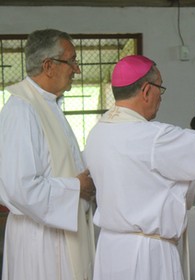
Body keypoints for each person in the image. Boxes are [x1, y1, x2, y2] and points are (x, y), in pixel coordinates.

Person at [84, 55, 195, 280]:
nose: (161, 97)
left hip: (111, 249)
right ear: (147, 90)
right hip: (145, 255)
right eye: (160, 88)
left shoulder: (97, 133)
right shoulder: (152, 137)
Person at [0, 29, 96, 280]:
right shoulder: (22, 109)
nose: (77, 69)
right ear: (48, 66)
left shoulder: (48, 104)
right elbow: (20, 187)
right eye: (72, 60)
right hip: (40, 241)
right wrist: (77, 187)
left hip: (58, 232)